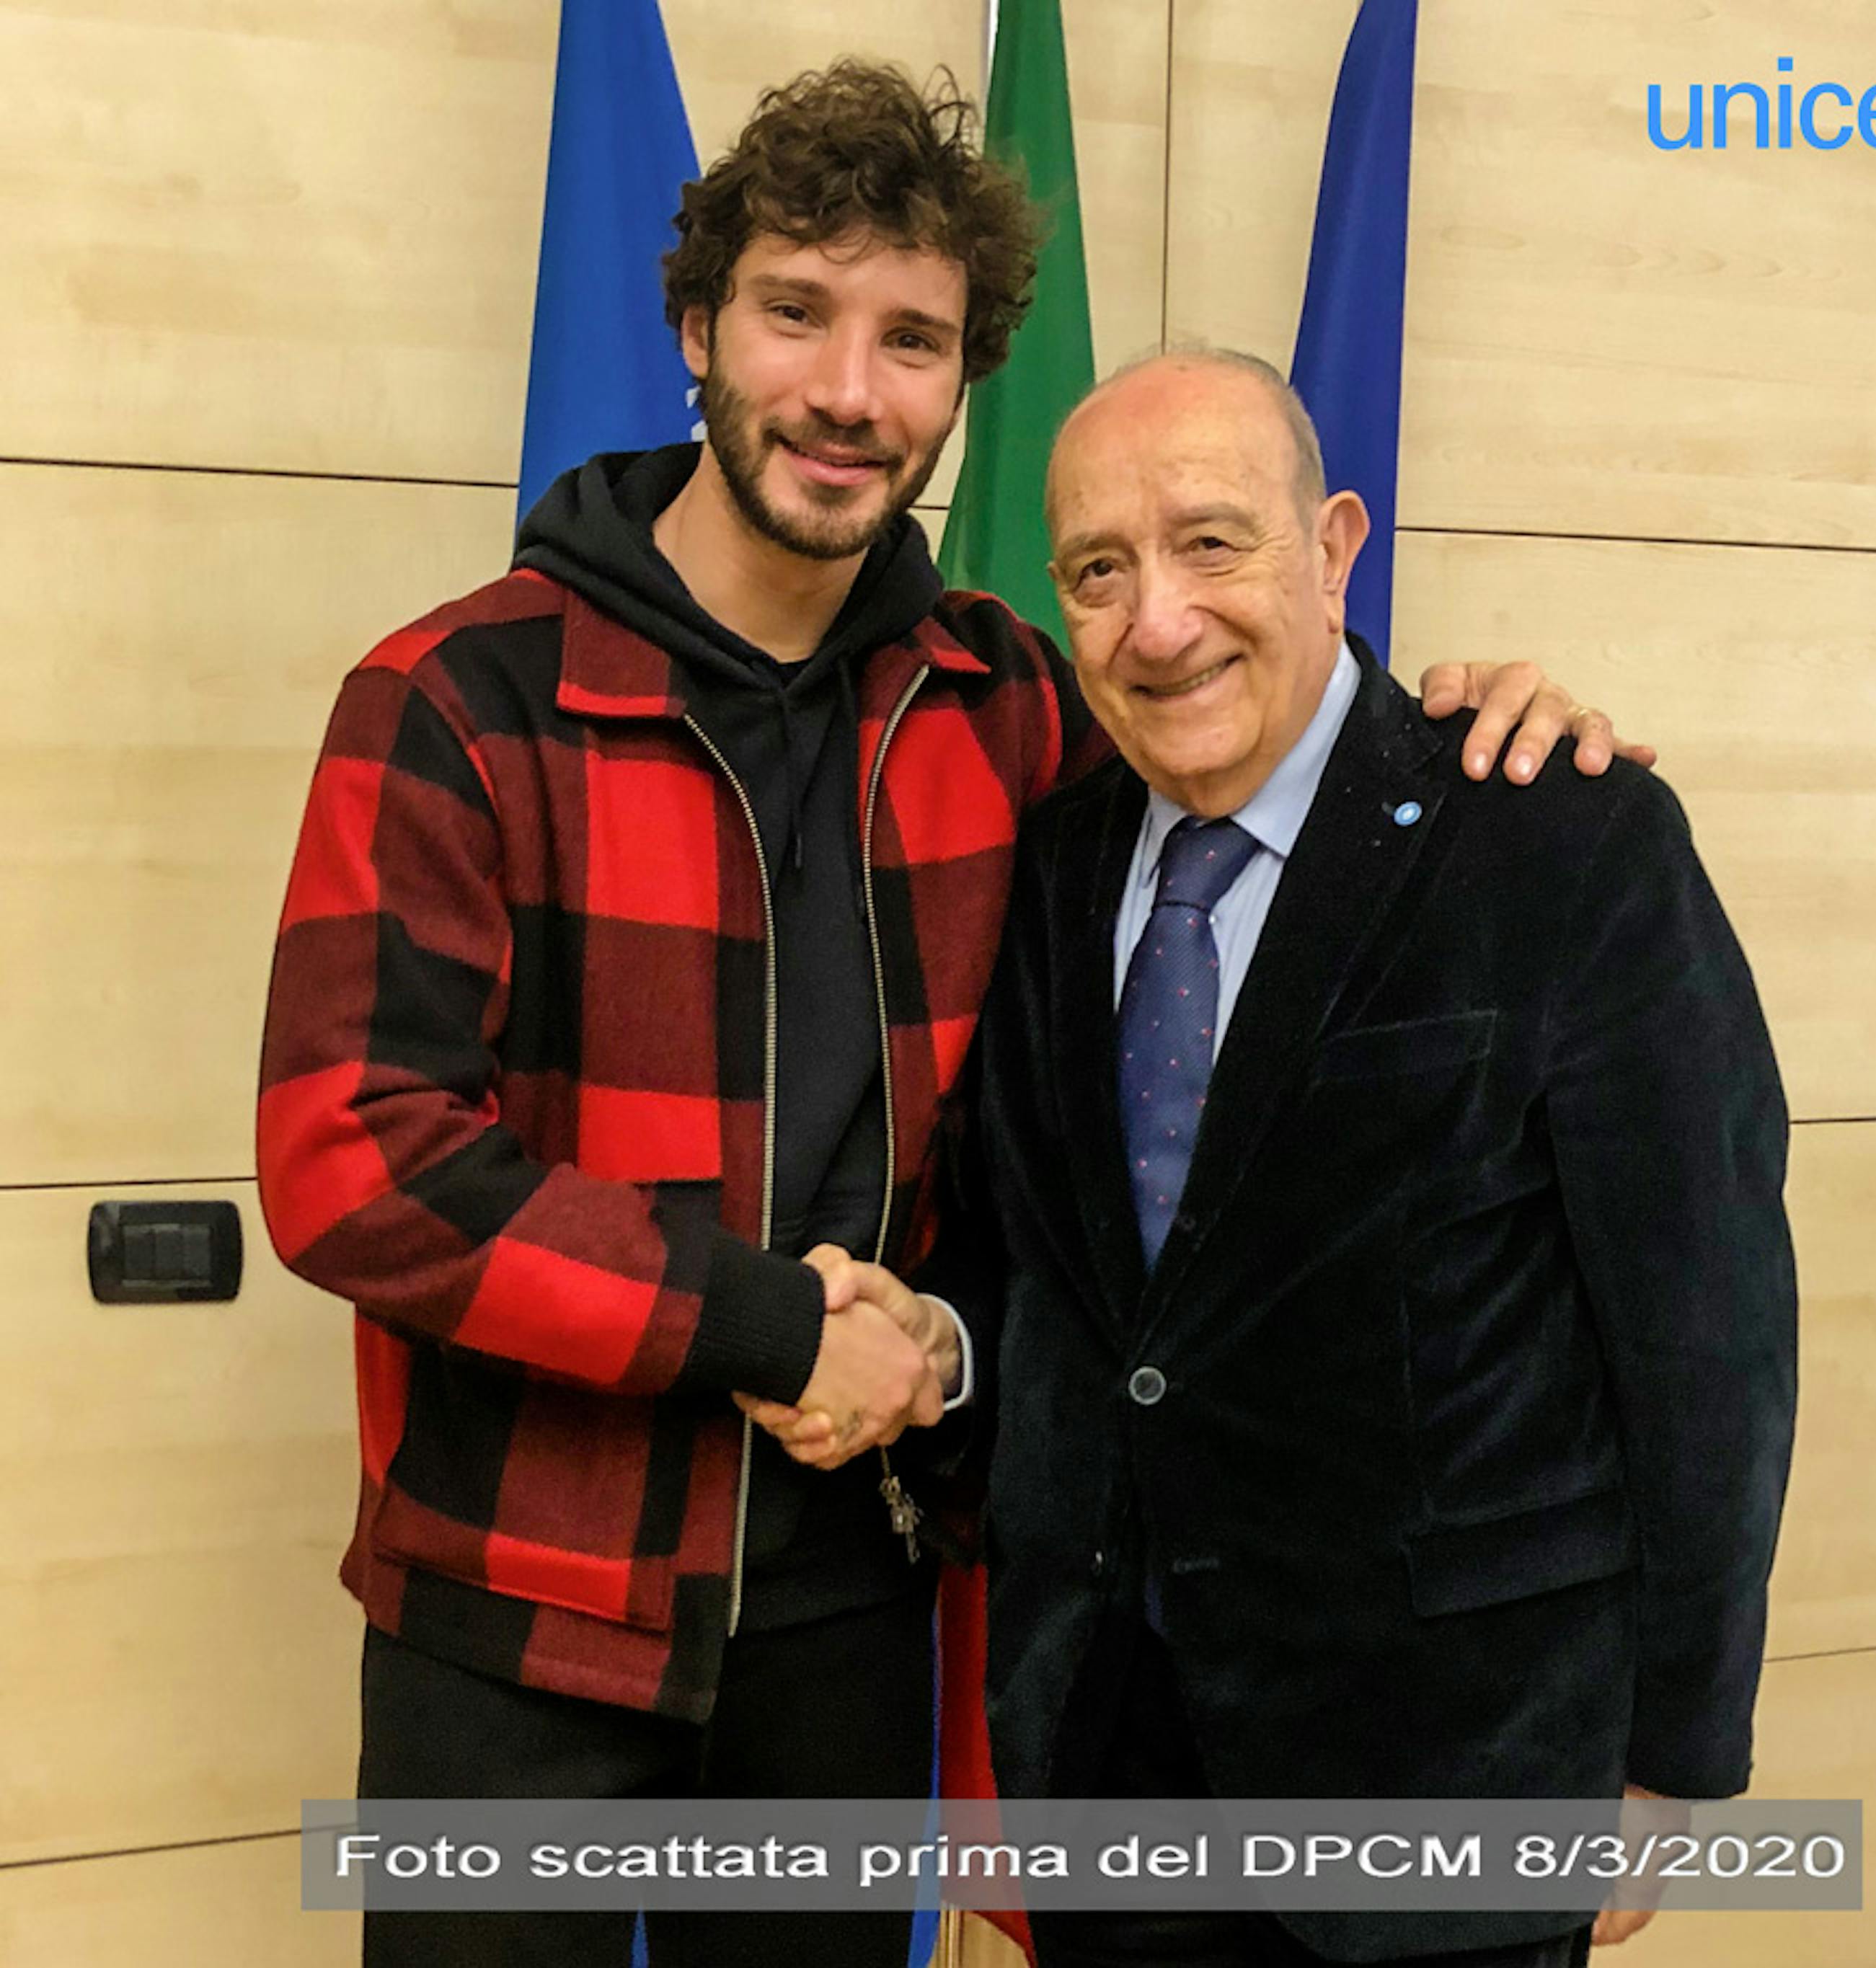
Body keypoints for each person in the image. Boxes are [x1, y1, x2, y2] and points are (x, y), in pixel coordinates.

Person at [257, 59, 1638, 1968]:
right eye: (796, 313)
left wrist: (1470, 738)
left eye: (911, 337)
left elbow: (1263, 767)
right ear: (695, 330)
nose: (848, 388)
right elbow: (351, 1160)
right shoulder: (451, 699)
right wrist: (759, 1319)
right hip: (517, 1608)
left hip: (858, 1602)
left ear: (961, 382)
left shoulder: (1005, 705)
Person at [830, 349, 1797, 1968]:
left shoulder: (1560, 839)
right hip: (1107, 1769)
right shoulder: (1054, 867)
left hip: (1449, 1782)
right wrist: (936, 1358)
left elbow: (1707, 1338)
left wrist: (1674, 1756)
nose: (1159, 621)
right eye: (1099, 571)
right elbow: (1064, 1285)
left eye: (1215, 543)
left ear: (1336, 542)